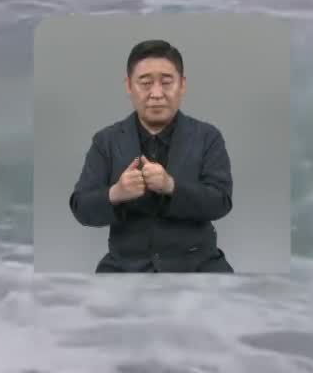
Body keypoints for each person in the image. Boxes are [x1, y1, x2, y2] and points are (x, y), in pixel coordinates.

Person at [68, 38, 234, 272]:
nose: (156, 94)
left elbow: (221, 202)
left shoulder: (207, 137)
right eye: (145, 83)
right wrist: (116, 193)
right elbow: (81, 207)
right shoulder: (106, 141)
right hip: (124, 266)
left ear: (183, 85)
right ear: (128, 86)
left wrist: (171, 186)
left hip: (198, 264)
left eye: (167, 82)